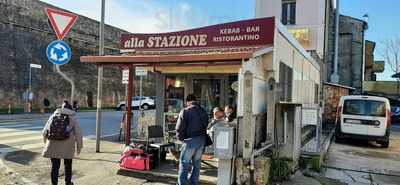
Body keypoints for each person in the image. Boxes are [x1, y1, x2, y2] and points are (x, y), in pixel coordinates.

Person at [42, 100, 83, 185]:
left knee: (55, 167)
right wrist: (79, 149)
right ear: (71, 109)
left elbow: (44, 132)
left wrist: (46, 143)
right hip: (68, 145)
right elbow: (79, 135)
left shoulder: (54, 115)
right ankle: (68, 183)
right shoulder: (73, 117)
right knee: (68, 165)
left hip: (53, 143)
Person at [176, 94, 209, 185]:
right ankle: (194, 183)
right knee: (197, 164)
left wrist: (181, 139)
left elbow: (179, 128)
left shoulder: (185, 111)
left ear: (187, 102)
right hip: (202, 140)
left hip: (190, 140)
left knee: (184, 163)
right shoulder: (203, 111)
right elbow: (206, 123)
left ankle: (182, 183)